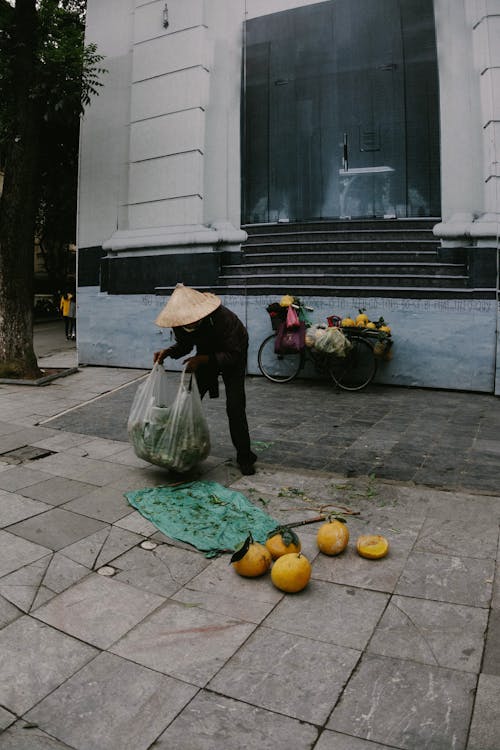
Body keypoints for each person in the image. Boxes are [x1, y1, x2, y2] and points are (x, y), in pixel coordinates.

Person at [153, 283, 257, 475]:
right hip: (205, 354)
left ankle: (245, 456)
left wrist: (202, 359)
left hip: (234, 355)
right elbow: (184, 346)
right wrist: (167, 352)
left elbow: (233, 354)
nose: (188, 324)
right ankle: (182, 451)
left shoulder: (225, 319)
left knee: (235, 407)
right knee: (188, 402)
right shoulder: (179, 323)